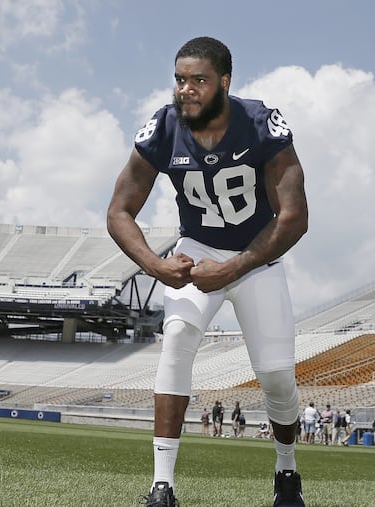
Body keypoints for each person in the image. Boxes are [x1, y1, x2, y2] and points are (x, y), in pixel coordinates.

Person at [107, 36, 308, 507]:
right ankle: (162, 486)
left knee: (278, 377)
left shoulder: (259, 123)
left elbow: (294, 215)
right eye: (180, 79)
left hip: (258, 256)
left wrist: (234, 267)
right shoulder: (163, 127)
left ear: (224, 82)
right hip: (198, 250)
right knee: (176, 338)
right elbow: (118, 211)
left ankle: (286, 468)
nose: (186, 90)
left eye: (198, 79)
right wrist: (156, 265)